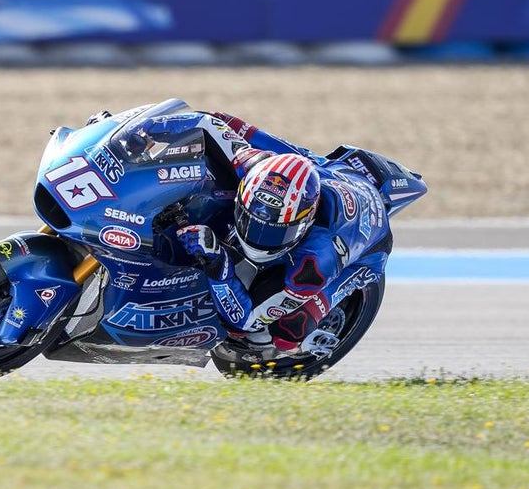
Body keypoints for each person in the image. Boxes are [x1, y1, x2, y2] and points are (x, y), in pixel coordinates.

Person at [160, 111, 392, 359]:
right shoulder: (253, 165)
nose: (260, 239)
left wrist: (218, 264)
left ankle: (297, 348)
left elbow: (246, 318)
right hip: (329, 171)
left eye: (276, 232)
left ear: (305, 221)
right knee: (238, 133)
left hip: (369, 248)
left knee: (286, 330)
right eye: (253, 221)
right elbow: (208, 121)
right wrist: (146, 132)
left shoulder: (316, 262)